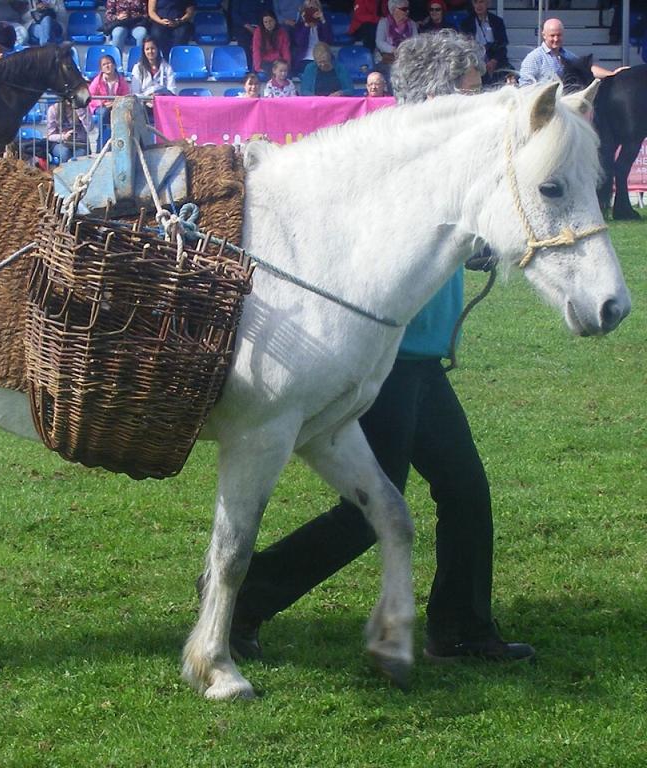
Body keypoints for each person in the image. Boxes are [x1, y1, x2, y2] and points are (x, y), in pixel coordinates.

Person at [225, 28, 535, 667]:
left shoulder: (451, 158)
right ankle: (245, 595)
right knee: (368, 509)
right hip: (378, 359)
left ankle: (462, 628)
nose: (481, 97)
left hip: (419, 360)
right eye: (471, 86)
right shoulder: (394, 156)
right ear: (438, 92)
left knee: (464, 490)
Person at [519, 18, 626, 86]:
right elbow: (524, 86)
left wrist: (612, 74)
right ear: (544, 35)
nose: (556, 39)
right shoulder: (534, 58)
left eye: (559, 35)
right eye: (552, 35)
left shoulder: (568, 55)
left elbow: (587, 68)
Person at [460, 0, 511, 84]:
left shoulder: (497, 21)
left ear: (488, 3)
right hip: (475, 62)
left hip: (495, 61)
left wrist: (494, 60)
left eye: (481, 2)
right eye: (475, 2)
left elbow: (503, 44)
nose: (478, 5)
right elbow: (464, 47)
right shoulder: (466, 24)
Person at [88, 53, 130, 149]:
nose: (107, 66)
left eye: (109, 63)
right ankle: (100, 145)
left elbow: (126, 96)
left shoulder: (121, 80)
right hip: (100, 107)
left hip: (117, 106)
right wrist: (102, 103)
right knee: (104, 113)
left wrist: (116, 103)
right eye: (104, 64)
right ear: (101, 69)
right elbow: (90, 97)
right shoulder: (97, 81)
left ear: (114, 65)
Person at [290, 0, 334, 76]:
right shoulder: (300, 26)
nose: (311, 11)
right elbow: (299, 42)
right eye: (309, 8)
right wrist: (306, 25)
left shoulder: (323, 24)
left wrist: (323, 20)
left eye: (314, 8)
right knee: (312, 70)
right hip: (305, 58)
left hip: (323, 57)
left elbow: (328, 41)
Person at [230, 0, 276, 70]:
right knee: (245, 47)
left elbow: (269, 13)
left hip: (262, 27)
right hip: (243, 28)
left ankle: (261, 69)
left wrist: (260, 28)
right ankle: (248, 71)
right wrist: (247, 26)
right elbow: (234, 15)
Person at [46, 99, 94, 164]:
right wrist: (64, 137)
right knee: (64, 153)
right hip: (60, 143)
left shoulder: (83, 108)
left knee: (81, 155)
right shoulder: (53, 109)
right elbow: (50, 136)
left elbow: (89, 128)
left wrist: (80, 111)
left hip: (80, 143)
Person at [376, 0, 419, 65]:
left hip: (407, 59)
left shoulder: (412, 24)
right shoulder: (384, 23)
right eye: (404, 9)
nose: (407, 11)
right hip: (388, 59)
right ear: (394, 9)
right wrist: (395, 50)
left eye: (408, 9)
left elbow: (416, 42)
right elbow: (379, 42)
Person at [253, 9, 292, 77]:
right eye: (266, 22)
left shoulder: (282, 32)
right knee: (274, 72)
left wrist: (287, 65)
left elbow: (285, 51)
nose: (268, 24)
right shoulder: (258, 32)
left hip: (278, 60)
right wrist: (257, 67)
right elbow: (256, 50)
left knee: (285, 73)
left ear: (275, 21)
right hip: (264, 61)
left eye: (270, 21)